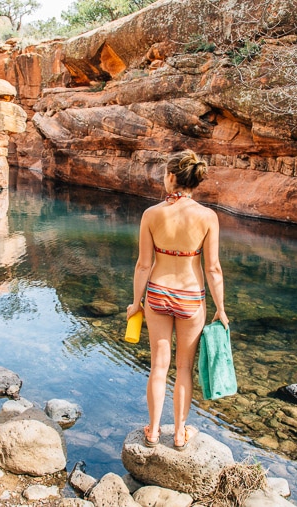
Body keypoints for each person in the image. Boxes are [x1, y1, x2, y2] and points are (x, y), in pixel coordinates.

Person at [127, 150, 229, 451]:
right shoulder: (208, 217)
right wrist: (221, 309)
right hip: (190, 297)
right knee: (184, 368)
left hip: (157, 293)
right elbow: (213, 268)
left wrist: (136, 302)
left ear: (171, 177)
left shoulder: (151, 214)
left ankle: (154, 430)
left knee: (159, 366)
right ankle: (180, 433)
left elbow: (143, 264)